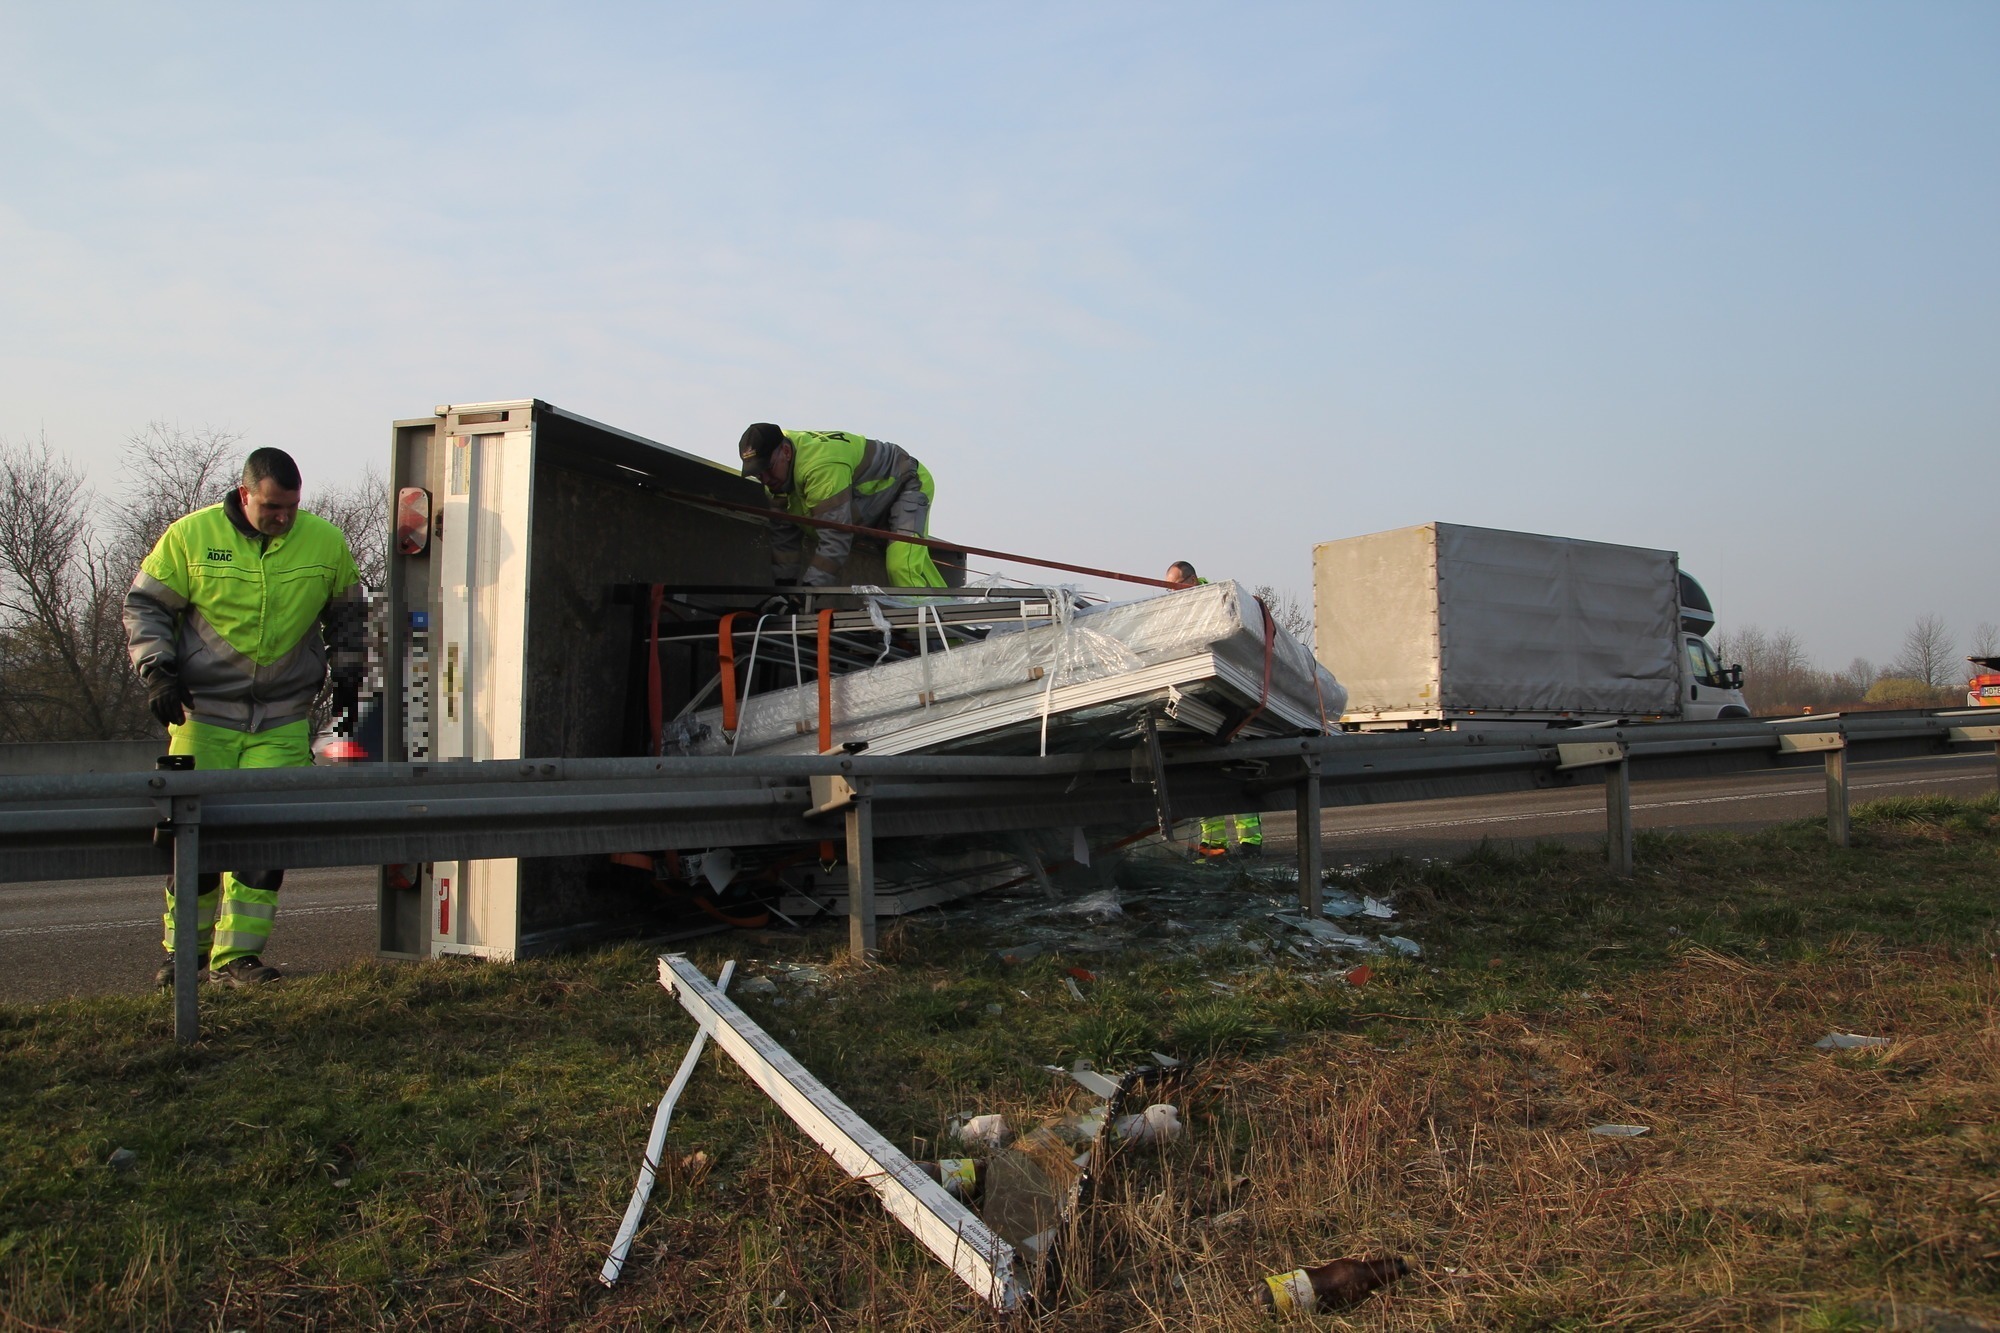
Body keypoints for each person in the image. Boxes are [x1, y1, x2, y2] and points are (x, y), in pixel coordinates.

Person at [124, 448, 363, 987]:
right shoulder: (191, 536)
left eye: (292, 508)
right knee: (194, 839)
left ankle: (237, 961)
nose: (283, 518)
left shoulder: (324, 542)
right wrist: (158, 670)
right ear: (244, 492)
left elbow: (350, 620)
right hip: (202, 714)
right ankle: (184, 955)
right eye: (273, 507)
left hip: (281, 718)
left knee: (265, 841)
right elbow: (147, 606)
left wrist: (352, 687)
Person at [738, 424, 947, 589]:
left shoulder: (821, 468)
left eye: (767, 469)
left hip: (906, 482)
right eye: (757, 473)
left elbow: (836, 538)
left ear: (785, 451)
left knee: (902, 567)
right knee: (913, 565)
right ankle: (955, 630)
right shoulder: (775, 478)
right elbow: (785, 539)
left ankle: (937, 638)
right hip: (870, 502)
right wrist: (785, 591)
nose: (764, 479)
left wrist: (807, 594)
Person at [1163, 561, 1264, 858]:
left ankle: (1250, 842)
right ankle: (1214, 845)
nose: (1172, 592)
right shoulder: (1179, 609)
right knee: (1207, 774)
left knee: (1236, 772)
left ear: (1192, 580)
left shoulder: (1216, 601)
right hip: (1201, 703)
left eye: (1176, 585)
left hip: (1228, 698)